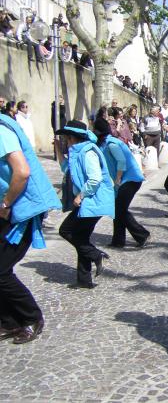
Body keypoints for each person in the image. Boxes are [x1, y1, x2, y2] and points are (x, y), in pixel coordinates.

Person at [0, 114, 61, 344]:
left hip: (20, 211)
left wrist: (5, 203)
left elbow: (22, 172)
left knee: (1, 271)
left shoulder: (1, 132)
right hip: (10, 210)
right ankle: (9, 322)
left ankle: (31, 317)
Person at [55, 121, 115, 289]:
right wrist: (58, 150)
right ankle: (84, 280)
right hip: (89, 202)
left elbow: (95, 178)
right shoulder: (77, 152)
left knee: (66, 230)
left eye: (67, 138)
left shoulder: (88, 152)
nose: (66, 141)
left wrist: (81, 195)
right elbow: (66, 168)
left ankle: (96, 255)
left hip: (93, 202)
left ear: (73, 138)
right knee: (81, 238)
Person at [93, 119, 150, 248]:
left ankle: (142, 234)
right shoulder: (104, 143)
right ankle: (118, 240)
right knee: (118, 210)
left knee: (120, 210)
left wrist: (118, 180)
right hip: (125, 180)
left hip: (130, 179)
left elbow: (121, 161)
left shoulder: (111, 143)